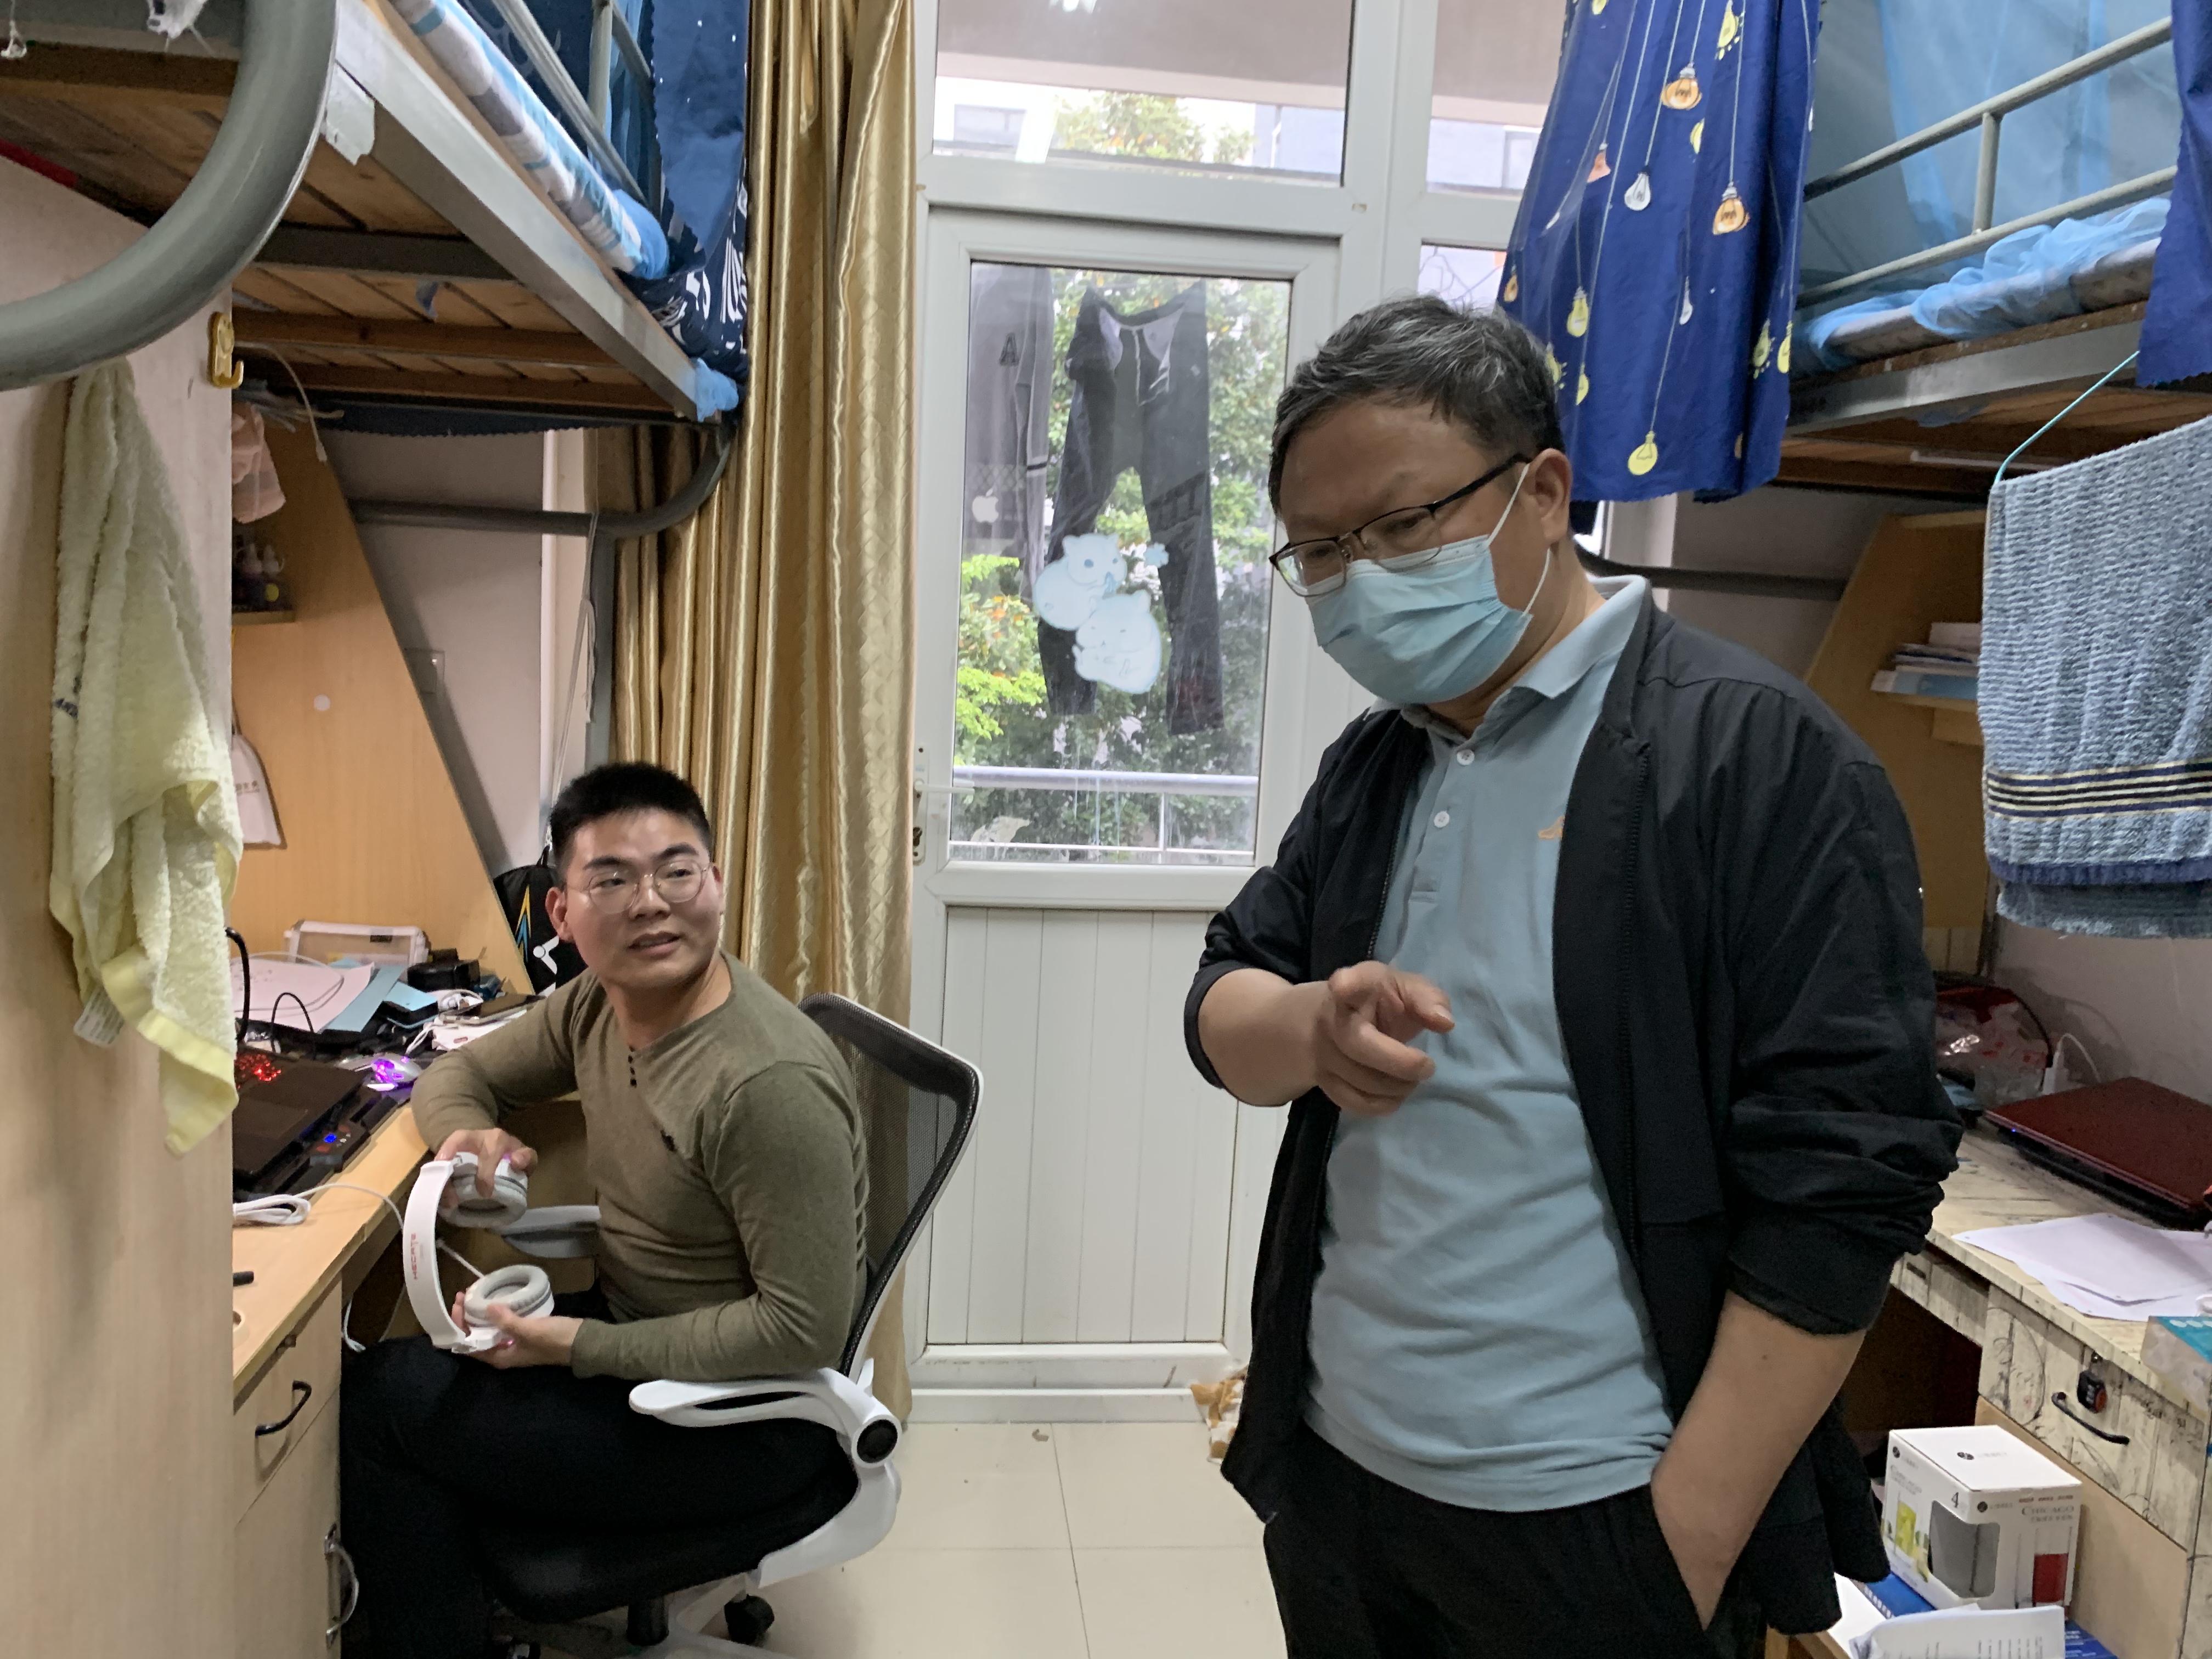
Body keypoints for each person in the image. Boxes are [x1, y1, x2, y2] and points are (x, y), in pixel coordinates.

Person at [1186, 297, 1962, 1658]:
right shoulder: (1383, 763)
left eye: (1399, 524)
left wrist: (1685, 1544)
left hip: (1597, 1515)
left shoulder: (1755, 762)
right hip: (1339, 1477)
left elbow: (1848, 1178)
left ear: (1543, 493)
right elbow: (1225, 1000)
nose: (1359, 579)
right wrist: (1309, 1029)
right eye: (1318, 551)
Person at [342, 763, 868, 1659]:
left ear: (716, 884)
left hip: (743, 1420)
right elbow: (461, 1072)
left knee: (381, 1407)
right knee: (401, 1381)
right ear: (562, 912)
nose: (651, 904)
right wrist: (467, 1134)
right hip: (641, 1346)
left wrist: (576, 1348)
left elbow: (802, 1329)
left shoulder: (766, 1085)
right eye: (613, 879)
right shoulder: (597, 1001)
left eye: (677, 871)